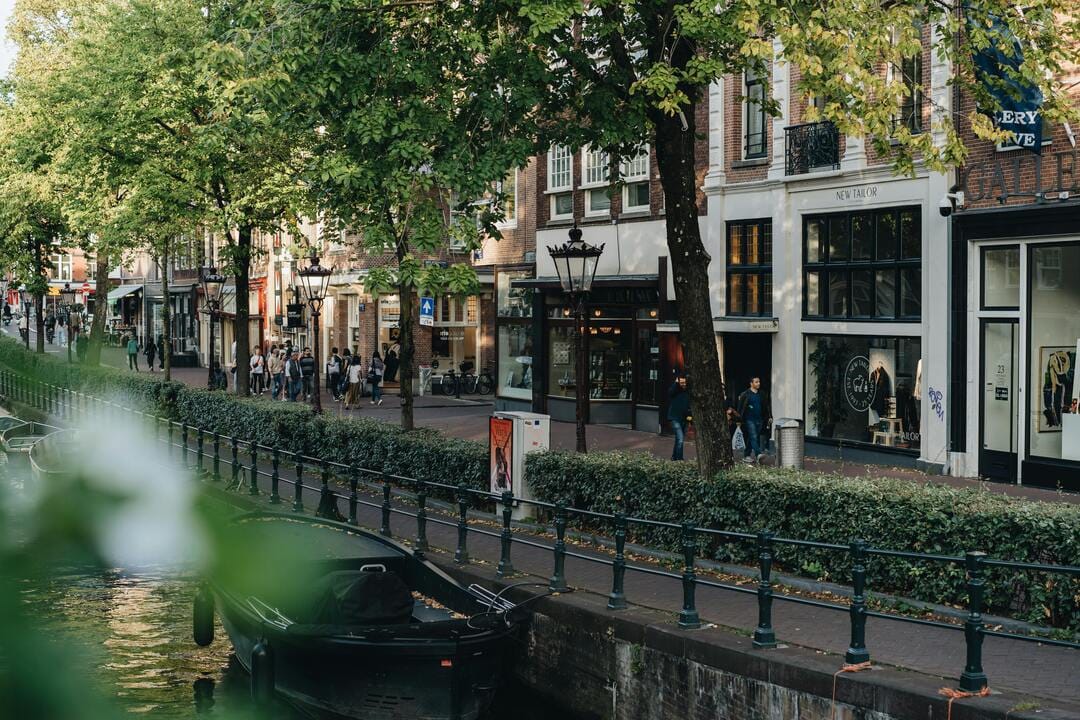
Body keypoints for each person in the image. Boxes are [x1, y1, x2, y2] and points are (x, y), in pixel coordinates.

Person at [736, 376, 772, 464]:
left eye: (759, 382)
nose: (758, 383)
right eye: (756, 382)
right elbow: (740, 407)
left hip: (759, 419)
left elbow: (767, 406)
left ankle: (746, 455)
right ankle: (758, 454)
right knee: (753, 436)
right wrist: (739, 419)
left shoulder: (762, 394)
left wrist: (770, 416)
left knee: (752, 438)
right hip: (749, 419)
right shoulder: (745, 394)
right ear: (751, 383)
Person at [667, 374, 691, 461]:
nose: (683, 384)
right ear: (678, 382)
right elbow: (670, 392)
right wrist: (676, 384)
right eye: (681, 383)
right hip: (674, 418)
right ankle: (680, 460)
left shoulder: (688, 392)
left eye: (684, 383)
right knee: (680, 439)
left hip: (684, 418)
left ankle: (674, 457)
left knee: (678, 439)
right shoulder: (675, 390)